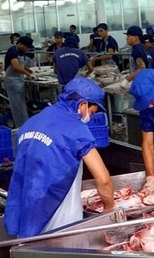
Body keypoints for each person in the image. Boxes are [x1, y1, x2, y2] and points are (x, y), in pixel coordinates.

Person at [5, 78, 115, 237]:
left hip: (26, 210)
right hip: (57, 219)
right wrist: (110, 210)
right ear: (82, 105)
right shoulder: (75, 129)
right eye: (91, 112)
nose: (90, 118)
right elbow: (103, 179)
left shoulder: (31, 123)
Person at [4, 36, 33, 128]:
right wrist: (28, 74)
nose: (27, 49)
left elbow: (22, 66)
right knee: (18, 106)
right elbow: (15, 67)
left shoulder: (20, 51)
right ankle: (21, 128)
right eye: (26, 47)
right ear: (20, 44)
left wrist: (30, 71)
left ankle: (26, 124)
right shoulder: (13, 51)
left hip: (19, 80)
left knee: (22, 105)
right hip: (13, 81)